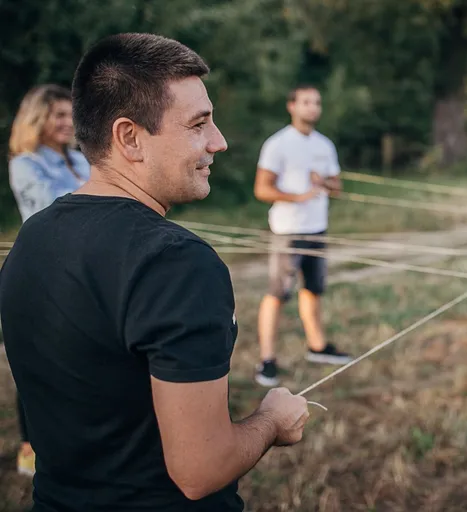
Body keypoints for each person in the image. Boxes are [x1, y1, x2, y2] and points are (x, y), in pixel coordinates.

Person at [0, 33, 312, 511]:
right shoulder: (176, 261)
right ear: (129, 137)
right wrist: (272, 421)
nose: (219, 141)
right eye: (198, 124)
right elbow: (200, 470)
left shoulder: (32, 237)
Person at [5, 83, 91, 477]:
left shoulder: (80, 159)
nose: (68, 122)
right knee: (38, 360)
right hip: (45, 271)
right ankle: (31, 446)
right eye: (58, 114)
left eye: (71, 114)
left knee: (80, 354)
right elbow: (57, 207)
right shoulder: (26, 163)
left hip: (85, 268)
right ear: (38, 119)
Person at [252, 83, 353, 388]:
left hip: (317, 228)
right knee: (278, 294)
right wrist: (298, 197)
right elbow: (261, 189)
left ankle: (317, 346)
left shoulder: (325, 145)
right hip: (288, 231)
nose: (313, 108)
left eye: (317, 103)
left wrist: (324, 183)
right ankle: (267, 360)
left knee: (313, 290)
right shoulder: (278, 144)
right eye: (307, 102)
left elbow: (337, 187)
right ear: (292, 106)